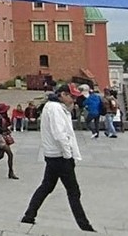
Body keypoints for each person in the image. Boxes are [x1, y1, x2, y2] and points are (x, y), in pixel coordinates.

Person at [21, 83, 95, 231]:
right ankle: (84, 226)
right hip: (60, 156)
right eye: (72, 96)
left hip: (53, 155)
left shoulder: (52, 107)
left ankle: (29, 216)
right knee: (73, 191)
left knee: (47, 186)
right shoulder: (55, 109)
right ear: (62, 95)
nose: (74, 100)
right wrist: (68, 155)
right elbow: (60, 134)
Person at [0, 102, 18, 179]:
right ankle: (10, 172)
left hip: (3, 137)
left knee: (0, 155)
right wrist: (5, 130)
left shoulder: (3, 117)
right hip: (0, 138)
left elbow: (8, 124)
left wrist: (7, 119)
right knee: (10, 154)